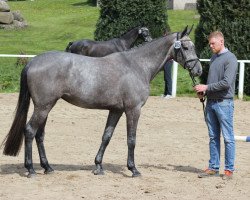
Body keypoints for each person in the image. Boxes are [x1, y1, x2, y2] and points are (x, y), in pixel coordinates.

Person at [194, 31, 238, 180]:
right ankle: (213, 167)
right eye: (210, 43)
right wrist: (204, 93)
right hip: (211, 102)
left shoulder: (230, 58)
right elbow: (213, 81)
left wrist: (206, 87)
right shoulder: (214, 58)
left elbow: (226, 83)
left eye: (213, 43)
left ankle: (229, 170)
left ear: (221, 41)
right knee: (213, 137)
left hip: (224, 103)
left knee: (228, 138)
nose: (210, 46)